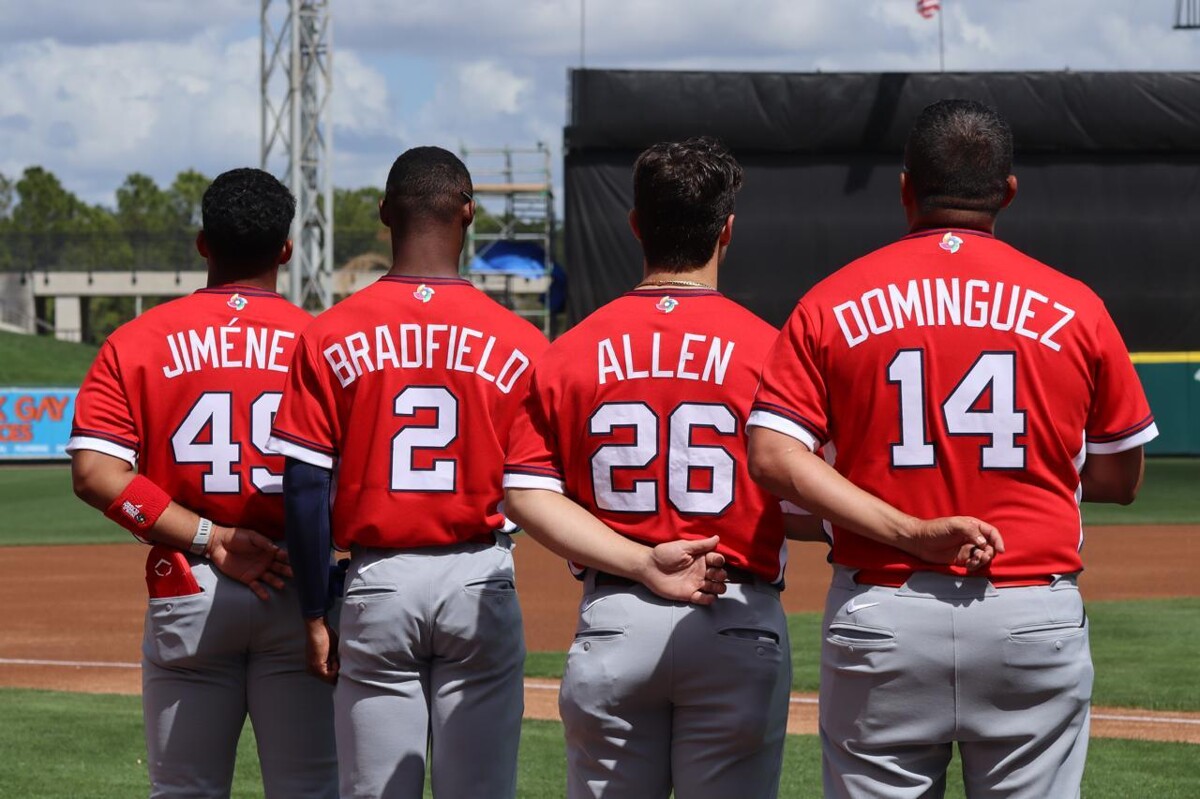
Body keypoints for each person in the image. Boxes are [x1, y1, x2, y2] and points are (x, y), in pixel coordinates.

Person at [747, 99, 1156, 799]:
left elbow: (774, 456)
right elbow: (1120, 474)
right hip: (1031, 612)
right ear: (1008, 191)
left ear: (906, 187)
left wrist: (908, 528)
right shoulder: (1075, 306)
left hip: (884, 611)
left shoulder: (831, 301)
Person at [267, 146, 548, 799]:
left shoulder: (328, 332)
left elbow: (305, 484)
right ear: (469, 213)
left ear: (385, 214)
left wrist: (314, 609)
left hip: (378, 580)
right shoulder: (523, 342)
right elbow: (542, 487)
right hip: (481, 575)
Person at [67, 167, 337, 798]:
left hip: (190, 582)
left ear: (202, 243)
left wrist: (209, 535)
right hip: (301, 590)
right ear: (287, 249)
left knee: (184, 790)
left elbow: (94, 475)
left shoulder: (136, 341)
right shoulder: (327, 343)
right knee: (312, 790)